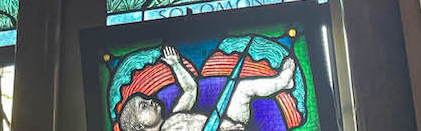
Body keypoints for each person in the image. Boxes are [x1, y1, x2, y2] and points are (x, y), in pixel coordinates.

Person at [118, 46, 296, 131]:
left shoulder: (175, 115)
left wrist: (175, 64)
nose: (150, 101)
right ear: (138, 127)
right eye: (143, 106)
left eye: (145, 100)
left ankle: (283, 82)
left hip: (231, 122)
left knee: (242, 88)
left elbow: (190, 88)